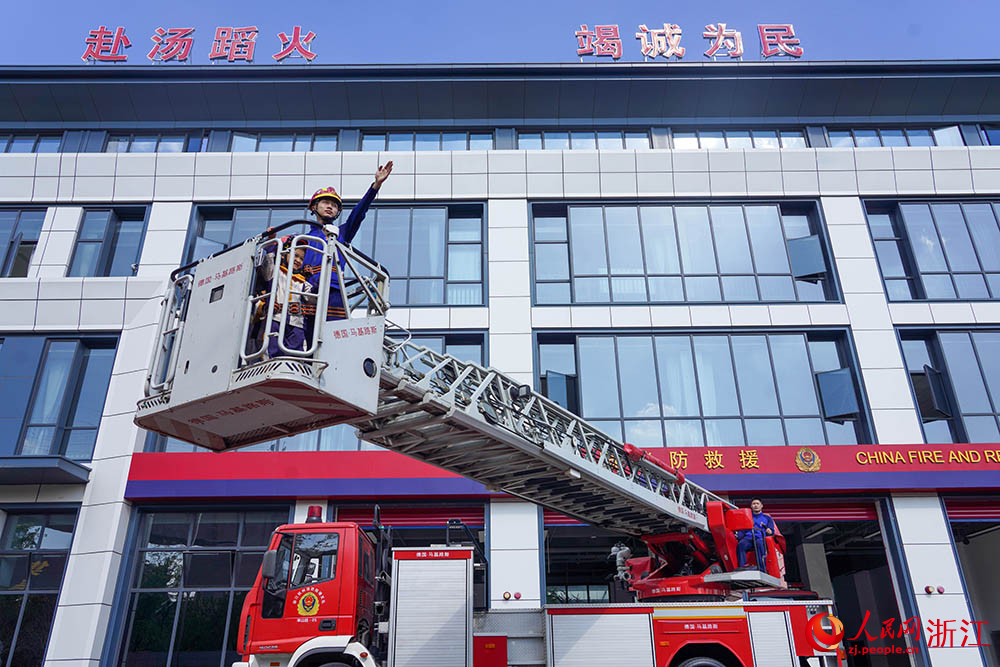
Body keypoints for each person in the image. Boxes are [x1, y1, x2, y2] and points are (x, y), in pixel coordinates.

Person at [299, 162, 393, 328]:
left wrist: (375, 186)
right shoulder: (303, 240)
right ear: (314, 207)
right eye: (326, 203)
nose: (330, 207)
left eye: (334, 205)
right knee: (304, 333)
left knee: (334, 337)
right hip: (307, 291)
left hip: (335, 293)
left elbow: (358, 213)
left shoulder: (341, 234)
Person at [257, 245, 314, 358]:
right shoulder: (277, 272)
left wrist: (314, 279)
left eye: (301, 258)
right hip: (276, 319)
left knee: (297, 355)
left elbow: (312, 298)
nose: (298, 260)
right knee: (273, 353)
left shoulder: (302, 282)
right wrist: (272, 247)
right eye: (295, 255)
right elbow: (268, 266)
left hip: (297, 324)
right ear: (285, 255)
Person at [737, 497, 776, 571]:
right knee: (741, 544)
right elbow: (743, 530)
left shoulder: (767, 518)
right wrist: (737, 536)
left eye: (757, 504)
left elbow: (772, 531)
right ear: (751, 506)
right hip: (749, 538)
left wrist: (769, 531)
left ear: (761, 505)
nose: (755, 505)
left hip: (760, 538)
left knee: (759, 543)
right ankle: (742, 567)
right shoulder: (747, 517)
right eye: (754, 504)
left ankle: (762, 569)